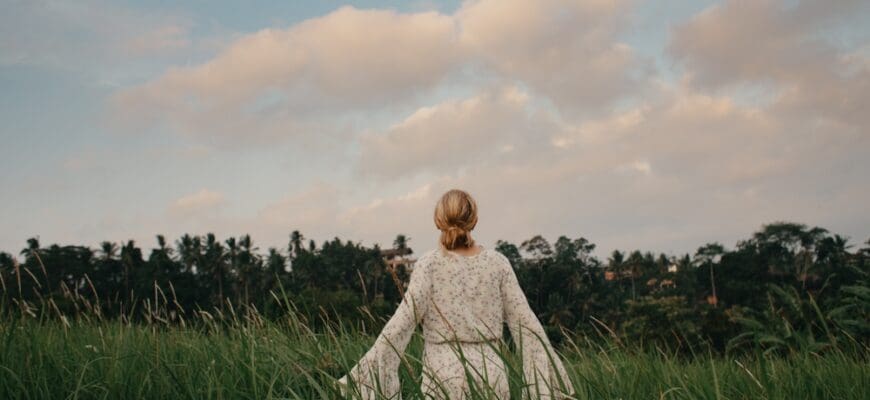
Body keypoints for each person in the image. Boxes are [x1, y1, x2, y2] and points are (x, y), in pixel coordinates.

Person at [336, 189, 574, 399]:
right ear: (474, 220)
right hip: (491, 376)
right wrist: (551, 385)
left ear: (438, 221)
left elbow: (402, 323)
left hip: (443, 377)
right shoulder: (498, 263)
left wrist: (361, 376)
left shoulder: (429, 265)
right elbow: (526, 324)